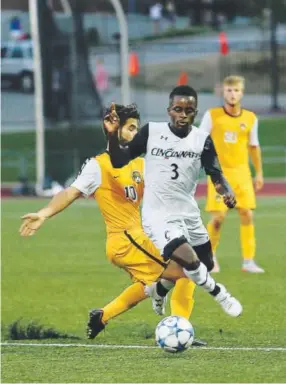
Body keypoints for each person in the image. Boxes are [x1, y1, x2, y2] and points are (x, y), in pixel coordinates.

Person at [18, 104, 204, 345]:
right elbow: (71, 192)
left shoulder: (139, 164)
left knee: (151, 282)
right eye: (130, 128)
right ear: (114, 130)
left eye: (136, 129)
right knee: (188, 270)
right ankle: (179, 327)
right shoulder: (99, 165)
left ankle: (103, 316)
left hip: (141, 237)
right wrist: (44, 213)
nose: (135, 134)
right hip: (125, 240)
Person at [106, 86, 243, 318]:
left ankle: (158, 289)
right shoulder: (151, 132)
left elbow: (216, 175)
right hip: (157, 214)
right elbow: (119, 160)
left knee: (204, 265)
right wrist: (111, 134)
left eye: (188, 110)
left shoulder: (202, 140)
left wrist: (226, 192)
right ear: (169, 110)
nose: (182, 114)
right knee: (189, 260)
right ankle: (221, 295)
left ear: (195, 112)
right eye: (178, 109)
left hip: (187, 212)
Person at [199, 75, 264, 273]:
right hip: (219, 174)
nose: (232, 94)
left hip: (242, 174)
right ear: (223, 92)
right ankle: (209, 259)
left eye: (236, 90)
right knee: (218, 218)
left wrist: (259, 173)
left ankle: (248, 261)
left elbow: (254, 147)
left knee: (247, 215)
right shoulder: (212, 115)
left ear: (242, 93)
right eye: (229, 90)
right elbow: (199, 140)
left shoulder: (251, 118)